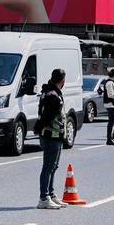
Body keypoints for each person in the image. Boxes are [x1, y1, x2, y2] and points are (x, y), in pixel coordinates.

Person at [36, 68, 69, 209]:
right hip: (51, 135)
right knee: (48, 167)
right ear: (62, 80)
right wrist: (40, 129)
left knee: (53, 166)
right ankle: (44, 198)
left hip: (55, 135)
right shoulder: (52, 96)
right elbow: (47, 117)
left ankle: (51, 194)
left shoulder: (50, 92)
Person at [102, 68, 114, 146]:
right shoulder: (110, 83)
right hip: (110, 104)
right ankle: (109, 139)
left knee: (112, 122)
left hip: (112, 104)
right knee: (111, 122)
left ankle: (110, 139)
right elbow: (110, 95)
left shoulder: (111, 82)